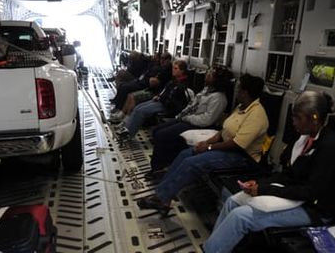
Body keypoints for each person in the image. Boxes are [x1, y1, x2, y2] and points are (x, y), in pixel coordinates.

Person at [203, 91, 335, 253]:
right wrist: (259, 184)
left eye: (297, 117)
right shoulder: (302, 138)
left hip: (313, 209)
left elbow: (311, 192)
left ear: (314, 118)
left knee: (241, 217)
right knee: (232, 202)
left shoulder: (328, 147)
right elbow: (287, 175)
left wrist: (265, 190)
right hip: (293, 196)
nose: (293, 122)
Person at [137, 74, 269, 215]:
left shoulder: (256, 115)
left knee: (192, 163)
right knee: (185, 154)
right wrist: (206, 142)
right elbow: (224, 131)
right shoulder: (241, 107)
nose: (236, 91)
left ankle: (162, 198)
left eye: (239, 88)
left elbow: (237, 144)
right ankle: (163, 197)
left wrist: (209, 147)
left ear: (245, 92)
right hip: (226, 148)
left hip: (241, 157)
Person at [147, 67, 234, 178]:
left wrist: (187, 118)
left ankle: (158, 168)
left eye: (211, 74)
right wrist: (181, 116)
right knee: (156, 130)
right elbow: (192, 106)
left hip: (198, 125)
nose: (207, 75)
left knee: (162, 135)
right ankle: (166, 161)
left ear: (216, 79)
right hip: (187, 119)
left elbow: (207, 120)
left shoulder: (219, 98)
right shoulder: (206, 91)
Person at [117, 59, 191, 139]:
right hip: (161, 101)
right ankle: (126, 128)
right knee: (138, 107)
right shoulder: (174, 81)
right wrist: (159, 96)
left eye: (176, 68)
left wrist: (161, 98)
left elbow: (173, 99)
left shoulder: (182, 85)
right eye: (173, 68)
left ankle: (129, 134)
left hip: (167, 106)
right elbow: (165, 91)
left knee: (141, 111)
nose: (173, 70)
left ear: (182, 71)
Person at [109, 52, 172, 123]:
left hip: (149, 88)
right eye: (161, 58)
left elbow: (157, 82)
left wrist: (151, 81)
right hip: (142, 81)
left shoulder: (167, 70)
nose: (162, 60)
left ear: (168, 60)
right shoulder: (156, 65)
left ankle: (126, 119)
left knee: (130, 94)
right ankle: (121, 114)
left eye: (164, 59)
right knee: (125, 89)